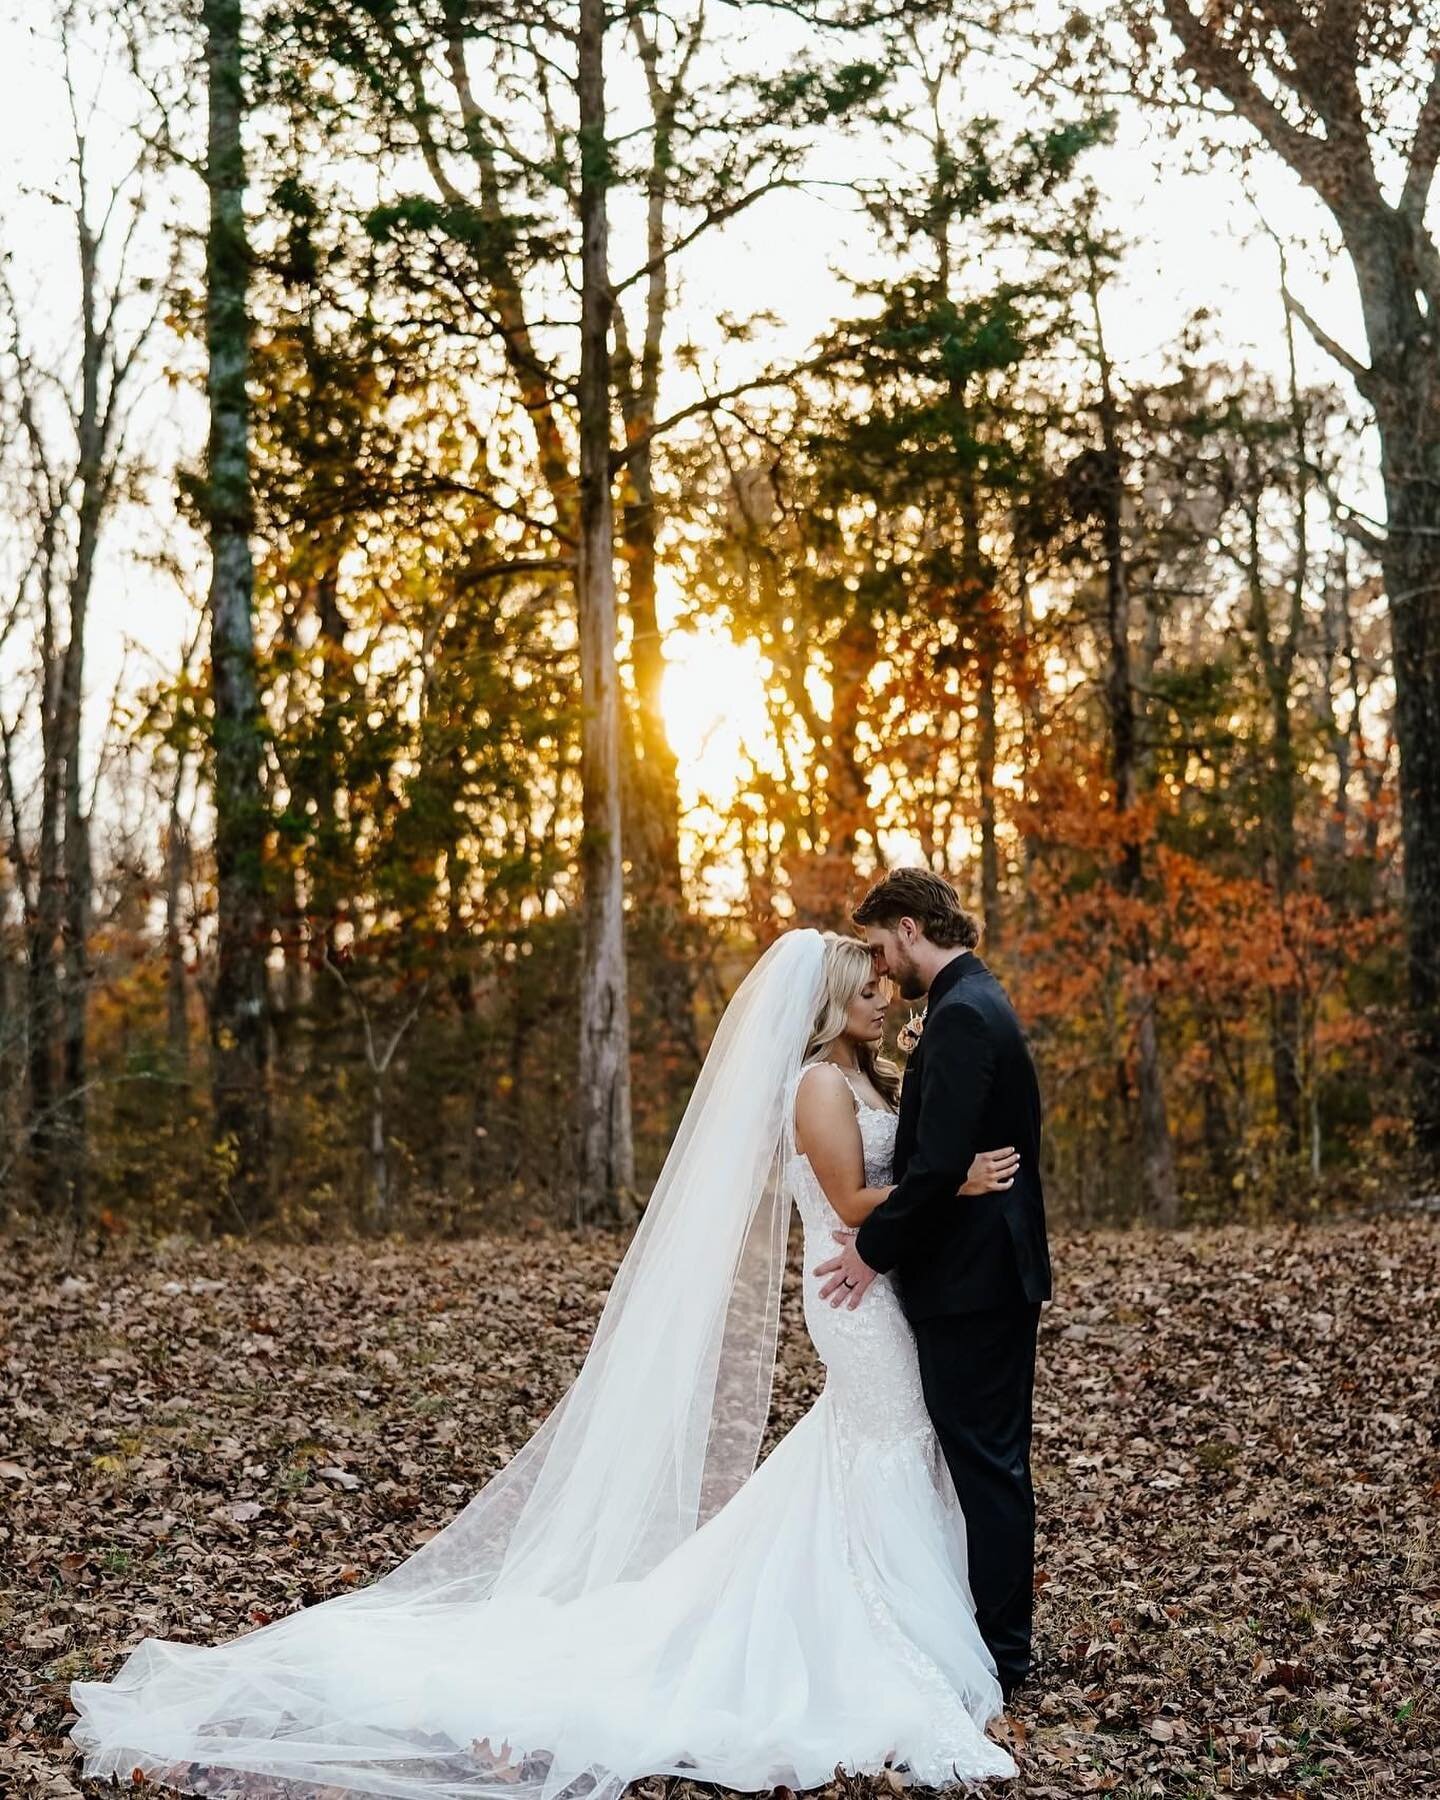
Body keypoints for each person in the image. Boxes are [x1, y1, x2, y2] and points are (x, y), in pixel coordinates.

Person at [70, 930, 1020, 1799]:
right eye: (867, 988)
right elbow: (853, 1203)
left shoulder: (860, 1074)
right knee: (889, 1439)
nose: (883, 998)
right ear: (830, 1000)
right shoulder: (817, 1083)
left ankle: (877, 1610)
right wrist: (957, 1181)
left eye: (884, 986)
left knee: (878, 1446)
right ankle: (875, 1630)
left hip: (873, 1290)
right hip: (849, 1293)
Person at [816, 868, 1052, 1698]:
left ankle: (1000, 1654)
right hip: (987, 1272)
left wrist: (870, 1251)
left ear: (910, 928)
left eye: (882, 950)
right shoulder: (974, 1003)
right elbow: (942, 1159)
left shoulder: (957, 1017)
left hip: (972, 1281)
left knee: (985, 1467)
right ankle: (987, 1637)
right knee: (987, 1462)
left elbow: (936, 1165)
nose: (884, 973)